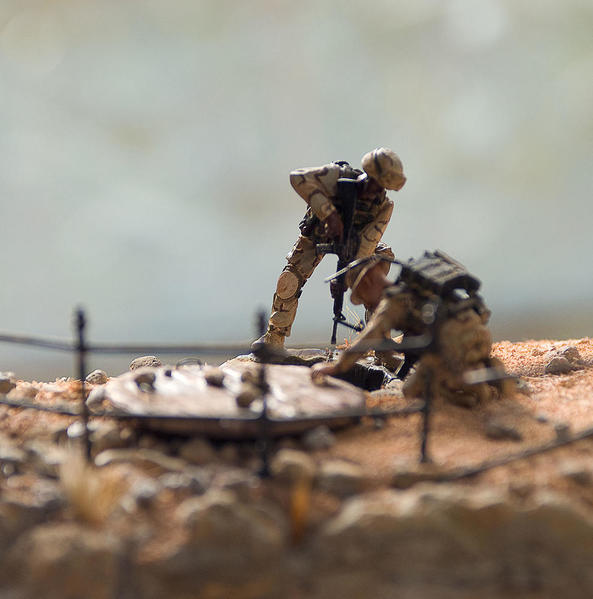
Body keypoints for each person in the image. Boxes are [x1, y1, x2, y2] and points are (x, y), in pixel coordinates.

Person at [312, 251, 510, 406]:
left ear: (368, 281)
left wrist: (338, 367)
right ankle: (489, 370)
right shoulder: (417, 290)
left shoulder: (393, 303)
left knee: (411, 390)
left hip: (453, 346)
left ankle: (471, 388)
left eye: (362, 296)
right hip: (479, 335)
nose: (366, 304)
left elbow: (368, 337)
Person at [255, 148, 406, 348]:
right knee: (289, 281)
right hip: (317, 235)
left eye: (384, 187)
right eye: (376, 184)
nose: (378, 191)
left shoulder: (383, 206)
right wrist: (330, 215)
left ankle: (378, 340)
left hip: (353, 245)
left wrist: (347, 276)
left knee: (380, 262)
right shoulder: (337, 177)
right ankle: (274, 338)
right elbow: (297, 178)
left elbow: (367, 245)